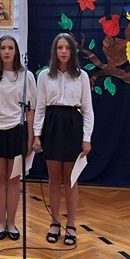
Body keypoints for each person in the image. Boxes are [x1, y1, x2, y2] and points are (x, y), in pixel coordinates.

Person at [33, 33, 94, 246]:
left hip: (72, 125)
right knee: (53, 178)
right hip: (51, 125)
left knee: (71, 179)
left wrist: (86, 138)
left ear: (72, 51)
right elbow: (40, 108)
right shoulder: (44, 76)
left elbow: (88, 110)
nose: (64, 51)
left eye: (67, 47)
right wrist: (37, 135)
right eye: (60, 47)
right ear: (55, 50)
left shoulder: (82, 76)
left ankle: (71, 224)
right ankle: (54, 222)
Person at [0, 35, 35, 241]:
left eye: (10, 47)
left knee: (14, 179)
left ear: (16, 51)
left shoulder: (26, 76)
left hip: (17, 132)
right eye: (3, 48)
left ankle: (12, 223)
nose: (7, 51)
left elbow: (30, 111)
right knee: (0, 178)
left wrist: (30, 138)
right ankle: (1, 222)